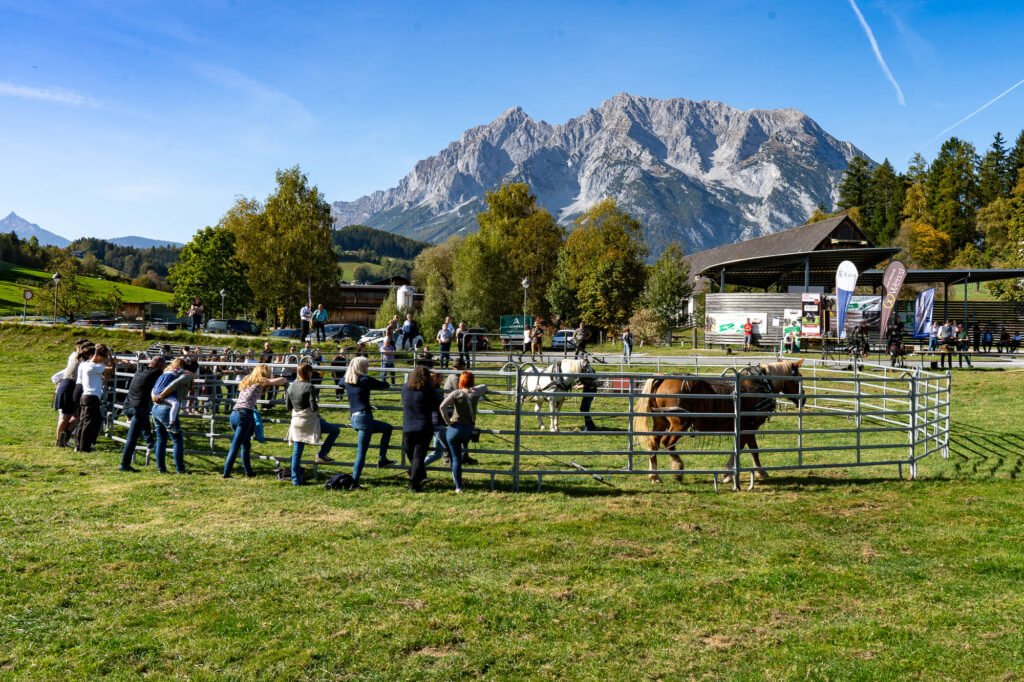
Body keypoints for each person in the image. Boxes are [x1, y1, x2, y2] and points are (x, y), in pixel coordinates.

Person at [222, 364, 287, 478]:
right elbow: (281, 380)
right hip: (244, 415)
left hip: (235, 414)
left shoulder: (247, 379)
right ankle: (226, 473)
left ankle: (248, 472)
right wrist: (285, 381)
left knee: (246, 444)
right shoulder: (261, 380)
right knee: (235, 446)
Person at [286, 362, 341, 485]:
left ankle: (296, 480)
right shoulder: (310, 386)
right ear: (308, 373)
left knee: (296, 453)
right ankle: (322, 454)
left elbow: (288, 407)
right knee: (335, 430)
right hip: (309, 420)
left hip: (296, 421)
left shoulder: (290, 386)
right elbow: (314, 407)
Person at [434, 371, 489, 493]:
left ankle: (458, 486)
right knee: (460, 453)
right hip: (468, 430)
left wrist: (448, 422)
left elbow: (442, 407)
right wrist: (474, 387)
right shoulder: (475, 393)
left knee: (455, 458)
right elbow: (485, 386)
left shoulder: (456, 393)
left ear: (461, 381)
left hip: (454, 429)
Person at [344, 356, 394, 485]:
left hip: (354, 418)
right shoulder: (365, 380)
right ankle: (354, 482)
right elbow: (385, 385)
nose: (368, 367)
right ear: (361, 367)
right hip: (364, 417)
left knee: (387, 428)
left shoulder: (346, 380)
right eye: (366, 365)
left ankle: (383, 459)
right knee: (361, 452)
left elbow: (339, 382)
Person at [118, 355, 167, 472]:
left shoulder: (140, 370)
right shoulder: (155, 373)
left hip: (128, 405)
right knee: (132, 438)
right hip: (138, 407)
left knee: (144, 420)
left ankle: (150, 442)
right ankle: (124, 464)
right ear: (160, 366)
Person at [151, 358, 197, 473]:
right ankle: (180, 469)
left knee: (161, 439)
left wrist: (155, 397)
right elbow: (175, 384)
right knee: (177, 439)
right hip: (167, 408)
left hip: (156, 407)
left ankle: (161, 469)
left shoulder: (168, 373)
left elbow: (154, 387)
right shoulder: (186, 375)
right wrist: (162, 395)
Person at [402, 365, 441, 492]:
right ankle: (414, 484)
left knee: (412, 457)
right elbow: (436, 406)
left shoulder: (405, 388)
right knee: (418, 457)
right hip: (424, 427)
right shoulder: (429, 389)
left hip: (408, 427)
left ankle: (419, 477)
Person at [75, 344, 113, 452]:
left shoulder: (85, 364)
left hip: (85, 396)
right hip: (92, 397)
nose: (104, 359)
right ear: (98, 356)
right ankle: (84, 447)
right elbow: (110, 370)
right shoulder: (94, 366)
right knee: (89, 423)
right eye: (104, 357)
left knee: (84, 422)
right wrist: (111, 359)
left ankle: (79, 445)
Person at [54, 338, 90, 447]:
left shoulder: (81, 358)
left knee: (76, 415)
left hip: (74, 387)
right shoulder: (76, 357)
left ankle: (65, 436)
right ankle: (59, 441)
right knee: (65, 417)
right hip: (69, 386)